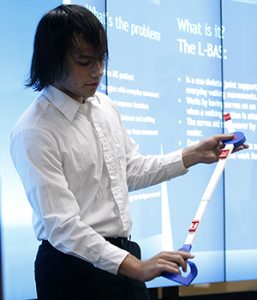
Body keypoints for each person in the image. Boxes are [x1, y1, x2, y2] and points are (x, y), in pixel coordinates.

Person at [10, 4, 247, 300]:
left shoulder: (104, 106)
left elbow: (128, 172)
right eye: (85, 61)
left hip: (124, 257)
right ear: (52, 61)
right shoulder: (35, 130)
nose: (97, 71)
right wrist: (135, 267)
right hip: (72, 269)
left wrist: (193, 155)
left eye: (100, 60)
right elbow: (63, 227)